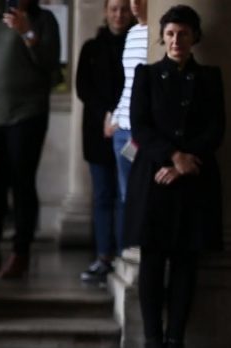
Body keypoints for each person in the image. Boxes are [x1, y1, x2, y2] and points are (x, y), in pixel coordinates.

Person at [124, 5, 223, 348]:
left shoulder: (210, 78)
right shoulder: (147, 75)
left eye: (182, 33)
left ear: (195, 36)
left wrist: (185, 162)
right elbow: (140, 126)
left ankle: (176, 341)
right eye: (169, 34)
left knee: (186, 262)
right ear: (162, 37)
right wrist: (171, 157)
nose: (176, 40)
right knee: (152, 262)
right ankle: (153, 340)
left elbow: (216, 129)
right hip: (154, 180)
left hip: (193, 182)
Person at [0, 0, 60, 279]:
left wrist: (27, 32)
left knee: (22, 184)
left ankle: (20, 252)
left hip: (27, 114)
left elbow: (50, 66)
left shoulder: (44, 21)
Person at [77, 0, 134, 286]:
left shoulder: (137, 42)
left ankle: (125, 254)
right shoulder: (91, 48)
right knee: (102, 196)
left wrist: (119, 115)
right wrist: (106, 113)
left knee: (125, 196)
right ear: (105, 11)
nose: (119, 14)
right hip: (98, 132)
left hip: (127, 131)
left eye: (124, 8)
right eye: (114, 9)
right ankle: (103, 256)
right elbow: (82, 87)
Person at [109, 0, 148, 255]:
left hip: (141, 131)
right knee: (124, 195)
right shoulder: (133, 33)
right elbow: (129, 83)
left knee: (140, 195)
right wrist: (116, 116)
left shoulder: (159, 33)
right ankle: (125, 253)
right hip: (122, 129)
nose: (134, 3)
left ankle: (137, 251)